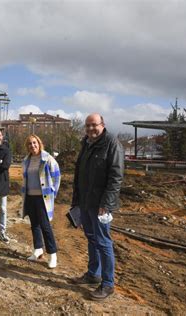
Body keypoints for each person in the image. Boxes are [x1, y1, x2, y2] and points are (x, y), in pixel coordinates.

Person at [71, 113, 124, 300]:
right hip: (85, 202)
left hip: (101, 205)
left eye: (94, 125)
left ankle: (108, 284)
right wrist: (76, 202)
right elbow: (79, 175)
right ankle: (93, 274)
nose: (91, 129)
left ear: (103, 124)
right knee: (91, 238)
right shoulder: (86, 143)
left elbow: (116, 178)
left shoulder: (112, 144)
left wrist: (107, 205)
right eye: (88, 126)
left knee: (103, 242)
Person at [21, 134, 61, 269]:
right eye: (29, 144)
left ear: (39, 143)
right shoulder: (26, 160)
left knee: (45, 226)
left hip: (42, 199)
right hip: (30, 197)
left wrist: (53, 193)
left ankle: (53, 254)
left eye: (34, 143)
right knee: (34, 225)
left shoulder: (48, 159)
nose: (32, 146)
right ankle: (38, 249)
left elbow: (57, 177)